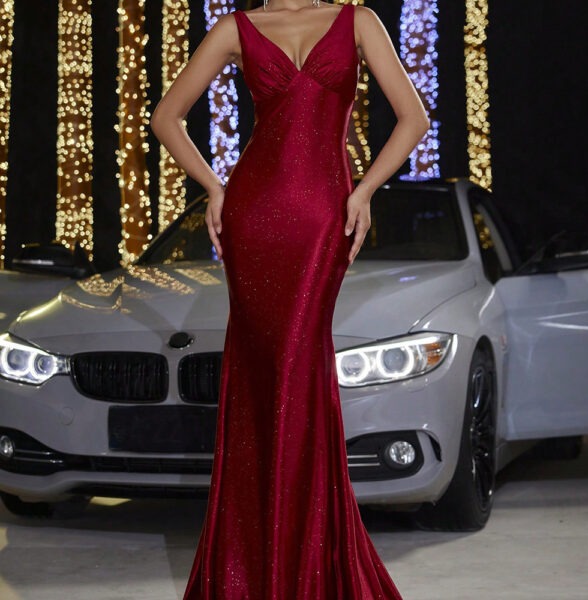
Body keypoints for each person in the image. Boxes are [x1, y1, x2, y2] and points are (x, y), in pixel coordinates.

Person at [151, 0, 429, 597]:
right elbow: (166, 117)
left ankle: (303, 560)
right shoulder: (236, 28)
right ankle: (256, 566)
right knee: (263, 373)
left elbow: (414, 118)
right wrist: (214, 188)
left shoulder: (358, 20)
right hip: (254, 215)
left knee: (299, 369)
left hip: (324, 214)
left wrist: (364, 191)